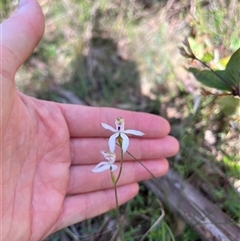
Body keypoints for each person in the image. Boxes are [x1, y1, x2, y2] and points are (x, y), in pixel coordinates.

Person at [1, 0, 179, 240]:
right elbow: (109, 152)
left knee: (125, 176)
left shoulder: (119, 139)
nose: (117, 127)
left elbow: (122, 141)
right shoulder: (112, 148)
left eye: (118, 127)